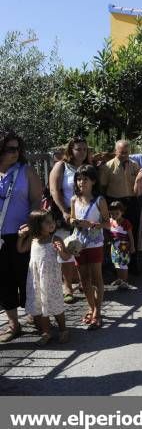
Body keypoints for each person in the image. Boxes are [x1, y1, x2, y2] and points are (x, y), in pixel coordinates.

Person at [0, 131, 43, 343]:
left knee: (26, 278)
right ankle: (13, 324)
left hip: (21, 236)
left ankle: (35, 317)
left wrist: (31, 223)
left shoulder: (26, 171)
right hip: (0, 238)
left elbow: (37, 199)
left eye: (18, 149)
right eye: (10, 149)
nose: (16, 153)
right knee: (3, 281)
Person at [16, 210, 71, 345]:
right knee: (41, 308)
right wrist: (21, 237)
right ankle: (46, 333)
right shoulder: (32, 239)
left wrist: (61, 250)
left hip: (51, 280)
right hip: (36, 280)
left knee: (56, 305)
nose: (51, 224)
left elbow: (66, 257)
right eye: (47, 222)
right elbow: (20, 249)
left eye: (52, 221)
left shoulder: (55, 239)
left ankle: (63, 330)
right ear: (37, 224)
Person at [49, 136, 89, 303]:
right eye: (78, 149)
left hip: (84, 213)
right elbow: (54, 190)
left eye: (84, 149)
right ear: (70, 150)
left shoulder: (87, 167)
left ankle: (83, 282)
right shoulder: (61, 166)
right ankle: (67, 286)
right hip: (65, 213)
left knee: (83, 247)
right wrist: (64, 211)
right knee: (66, 249)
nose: (81, 152)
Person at [70, 165, 110, 330]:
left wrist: (92, 225)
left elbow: (108, 224)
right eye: (79, 179)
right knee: (84, 279)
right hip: (79, 244)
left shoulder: (99, 200)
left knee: (96, 278)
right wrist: (73, 221)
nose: (81, 182)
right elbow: (72, 218)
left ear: (93, 181)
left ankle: (98, 311)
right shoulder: (74, 199)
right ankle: (91, 307)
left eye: (85, 179)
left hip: (95, 244)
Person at [99, 140, 141, 273]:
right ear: (116, 151)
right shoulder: (108, 166)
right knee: (116, 234)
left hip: (131, 202)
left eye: (126, 152)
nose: (124, 155)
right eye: (121, 152)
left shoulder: (135, 165)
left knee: (131, 232)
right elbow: (103, 187)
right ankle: (116, 265)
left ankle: (132, 263)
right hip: (115, 203)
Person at [108, 201, 136, 290]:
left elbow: (131, 236)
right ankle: (119, 279)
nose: (114, 215)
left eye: (117, 213)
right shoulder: (110, 221)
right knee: (116, 263)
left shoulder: (126, 223)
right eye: (111, 213)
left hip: (123, 247)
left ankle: (124, 282)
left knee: (123, 264)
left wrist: (132, 246)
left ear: (122, 212)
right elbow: (110, 234)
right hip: (114, 246)